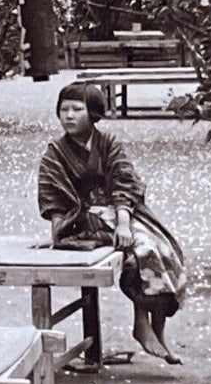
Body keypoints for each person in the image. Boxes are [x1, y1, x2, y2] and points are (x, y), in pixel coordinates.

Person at [38, 80, 186, 364]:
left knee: (164, 248)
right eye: (64, 109)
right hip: (80, 219)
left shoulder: (108, 144)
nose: (68, 115)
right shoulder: (54, 153)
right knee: (143, 250)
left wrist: (122, 220)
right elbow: (53, 196)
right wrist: (60, 231)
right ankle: (142, 319)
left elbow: (124, 180)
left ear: (93, 113)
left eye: (77, 109)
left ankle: (156, 326)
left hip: (119, 213)